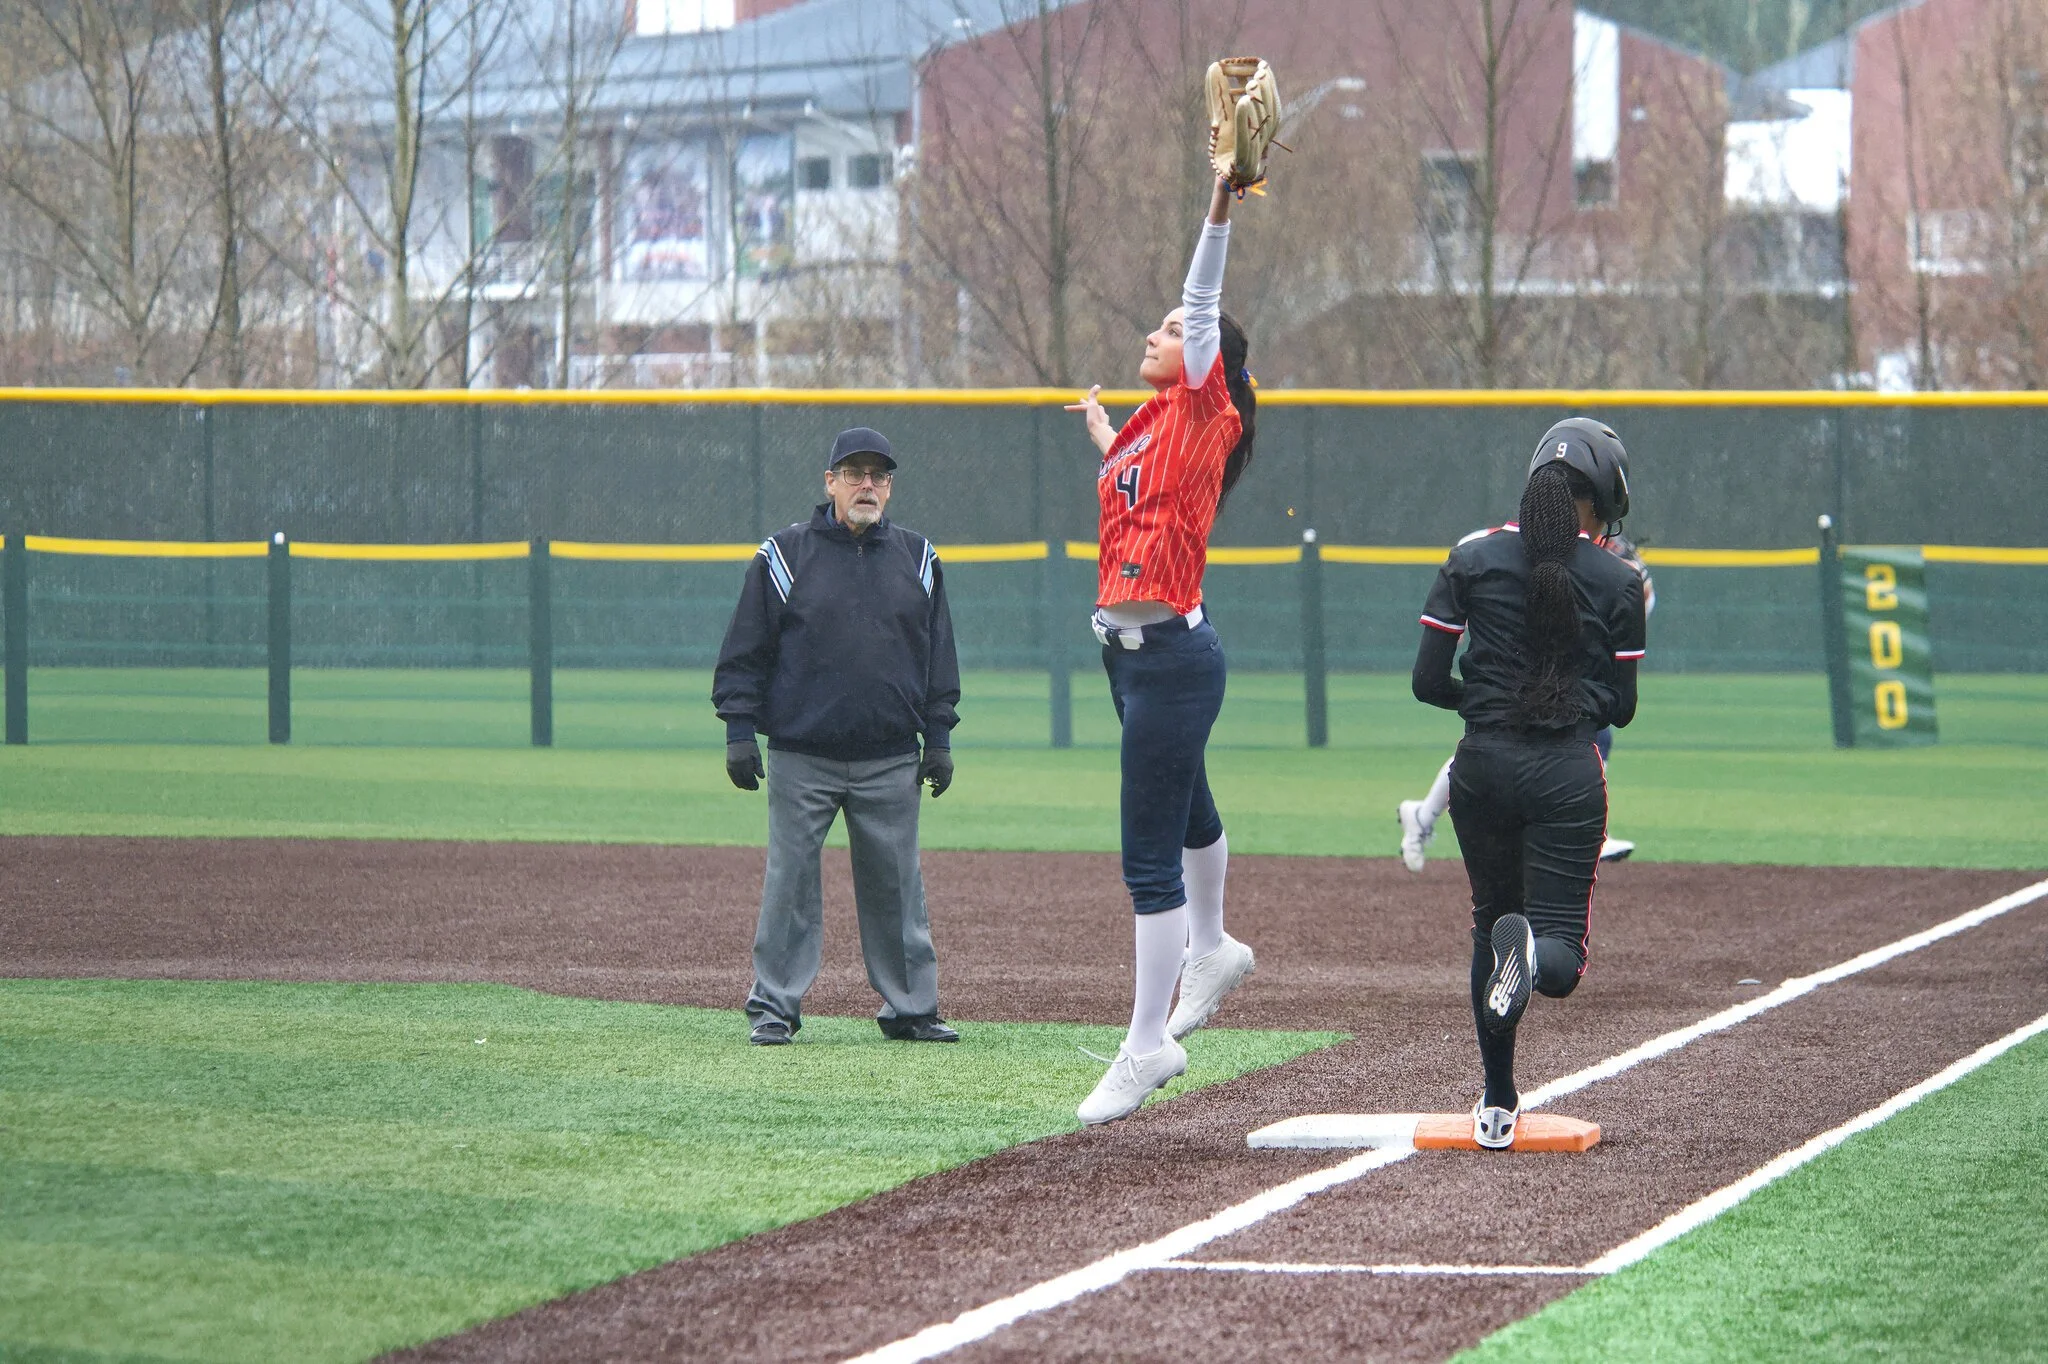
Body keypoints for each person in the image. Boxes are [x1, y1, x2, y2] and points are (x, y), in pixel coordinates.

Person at [1062, 174, 1259, 1125]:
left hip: (1173, 659)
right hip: (1129, 657)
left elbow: (1203, 297)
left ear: (1211, 359)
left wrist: (1220, 203)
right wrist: (1105, 433)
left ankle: (1148, 1042)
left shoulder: (1206, 406)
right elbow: (1134, 484)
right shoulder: (1149, 425)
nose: (1159, 332)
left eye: (1174, 331)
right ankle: (1214, 947)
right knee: (1189, 807)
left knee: (1147, 856)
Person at [1410, 419, 1647, 1149]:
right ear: (1598, 501)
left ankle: (1497, 1102)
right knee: (1560, 955)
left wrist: (1489, 703)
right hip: (1565, 774)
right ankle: (1534, 958)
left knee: (1492, 922)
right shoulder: (1618, 580)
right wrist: (1560, 706)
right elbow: (1622, 708)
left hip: (1480, 768)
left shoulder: (1470, 557)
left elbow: (1427, 683)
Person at [712, 427, 962, 1047]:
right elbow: (745, 649)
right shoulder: (785, 554)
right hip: (803, 755)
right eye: (854, 474)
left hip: (891, 757)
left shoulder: (919, 557)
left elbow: (939, 658)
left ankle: (911, 1009)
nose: (866, 485)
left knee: (897, 886)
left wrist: (939, 738)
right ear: (830, 483)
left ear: (890, 487)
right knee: (790, 884)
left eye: (878, 475)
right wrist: (739, 730)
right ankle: (774, 1008)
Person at [1399, 535, 1655, 870]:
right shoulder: (1496, 547)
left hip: (1552, 668)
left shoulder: (1590, 560)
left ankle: (1423, 815)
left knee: (1521, 740)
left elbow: (1641, 602)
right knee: (1504, 739)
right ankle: (1425, 815)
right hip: (1519, 665)